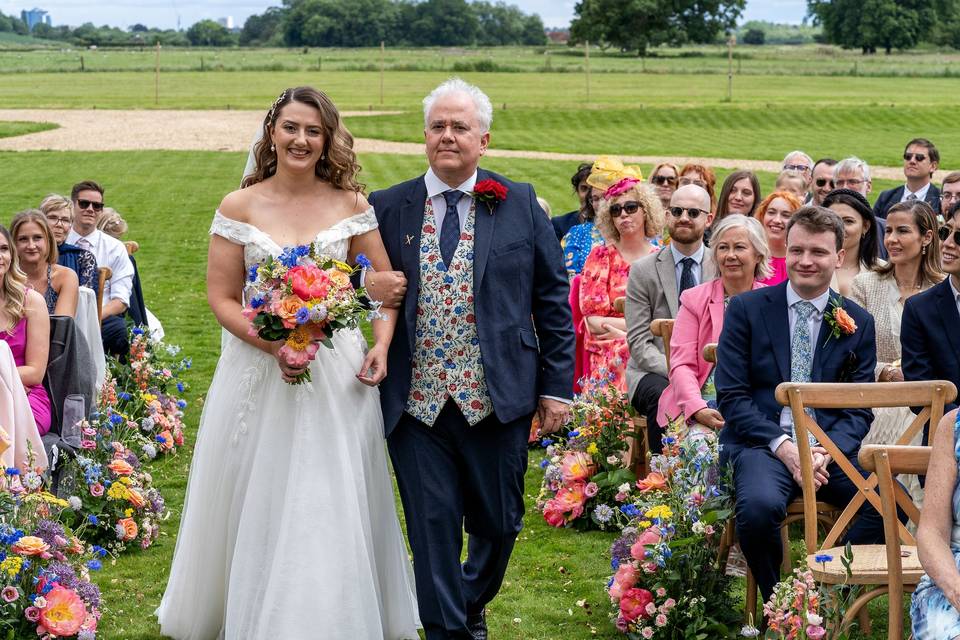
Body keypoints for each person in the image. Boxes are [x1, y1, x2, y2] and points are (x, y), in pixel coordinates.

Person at [157, 87, 420, 640]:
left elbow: (381, 288)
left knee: (331, 487)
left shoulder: (351, 205)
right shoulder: (239, 207)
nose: (302, 140)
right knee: (260, 484)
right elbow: (223, 297)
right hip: (259, 369)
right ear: (272, 132)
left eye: (314, 131)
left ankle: (332, 615)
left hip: (337, 373)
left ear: (327, 141)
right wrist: (276, 344)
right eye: (292, 127)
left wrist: (380, 343)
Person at [368, 78, 574, 640]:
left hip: (499, 396)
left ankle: (466, 600)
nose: (448, 136)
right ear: (424, 136)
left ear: (483, 139)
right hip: (417, 403)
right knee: (431, 527)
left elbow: (553, 302)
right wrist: (370, 287)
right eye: (438, 126)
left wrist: (557, 388)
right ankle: (450, 630)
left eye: (460, 127)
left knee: (500, 523)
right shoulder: (388, 206)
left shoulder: (521, 202)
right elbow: (360, 286)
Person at [716, 206, 884, 602]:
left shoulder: (857, 321)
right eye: (797, 250)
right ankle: (784, 603)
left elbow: (859, 409)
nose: (805, 261)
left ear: (839, 257)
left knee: (886, 502)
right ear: (784, 252)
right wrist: (785, 446)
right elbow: (732, 397)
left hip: (828, 452)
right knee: (757, 509)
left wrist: (824, 450)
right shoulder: (746, 309)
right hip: (763, 444)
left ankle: (829, 597)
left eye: (819, 252)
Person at [656, 214, 769, 434]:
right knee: (702, 449)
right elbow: (681, 365)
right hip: (702, 404)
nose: (730, 255)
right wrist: (697, 408)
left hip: (756, 407)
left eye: (739, 247)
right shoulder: (694, 299)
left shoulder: (771, 302)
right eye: (723, 248)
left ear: (758, 254)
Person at [625, 184, 716, 452]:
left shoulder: (722, 266)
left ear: (708, 219)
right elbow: (639, 344)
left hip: (710, 369)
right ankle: (663, 481)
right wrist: (682, 373)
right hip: (654, 370)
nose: (684, 217)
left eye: (693, 212)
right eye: (676, 211)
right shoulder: (643, 271)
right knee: (665, 393)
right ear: (667, 216)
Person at [852, 201, 942, 469]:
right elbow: (851, 355)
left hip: (927, 403)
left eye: (902, 231)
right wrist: (887, 373)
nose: (891, 239)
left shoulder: (942, 290)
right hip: (876, 401)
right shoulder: (865, 285)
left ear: (926, 237)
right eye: (888, 231)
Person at [581, 177, 662, 392]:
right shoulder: (600, 256)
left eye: (631, 207)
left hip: (651, 348)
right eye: (616, 210)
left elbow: (667, 319)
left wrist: (628, 335)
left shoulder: (662, 259)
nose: (623, 214)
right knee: (624, 352)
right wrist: (638, 331)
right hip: (608, 349)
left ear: (645, 211)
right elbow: (593, 321)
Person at [902, 201, 960, 419]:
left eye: (959, 237)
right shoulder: (919, 310)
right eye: (945, 232)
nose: (948, 243)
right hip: (946, 440)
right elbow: (919, 393)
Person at [65, 181, 134, 357]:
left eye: (97, 206)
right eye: (84, 203)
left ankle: (112, 382)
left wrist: (92, 317)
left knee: (119, 332)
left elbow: (121, 300)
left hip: (102, 318)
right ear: (73, 206)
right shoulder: (59, 243)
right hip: (63, 318)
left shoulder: (114, 247)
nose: (90, 209)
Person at [911, 408, 960, 639]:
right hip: (953, 570)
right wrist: (956, 589)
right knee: (943, 630)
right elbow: (931, 533)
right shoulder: (953, 426)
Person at [0, 226, 52, 437]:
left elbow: (35, 372)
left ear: (11, 255)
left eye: (3, 248)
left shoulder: (31, 301)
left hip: (25, 396)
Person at [562, 156, 641, 278]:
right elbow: (571, 278)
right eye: (595, 199)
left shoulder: (641, 234)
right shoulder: (578, 234)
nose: (599, 204)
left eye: (605, 197)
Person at [10, 210, 78, 317]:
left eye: (37, 238)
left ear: (48, 240)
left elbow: (62, 327)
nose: (31, 246)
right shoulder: (6, 277)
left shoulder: (66, 277)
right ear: (13, 244)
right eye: (23, 239)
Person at [823, 188, 881, 297]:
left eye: (848, 221)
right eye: (831, 220)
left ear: (866, 226)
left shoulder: (883, 272)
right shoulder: (810, 265)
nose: (839, 228)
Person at [38, 194, 98, 294]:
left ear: (70, 225)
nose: (59, 224)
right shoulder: (30, 254)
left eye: (65, 220)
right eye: (53, 218)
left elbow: (85, 302)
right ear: (40, 221)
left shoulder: (84, 258)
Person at [874, 138, 941, 219]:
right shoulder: (886, 197)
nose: (912, 161)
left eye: (919, 157)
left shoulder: (941, 199)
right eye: (908, 156)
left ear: (933, 166)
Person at [754, 190, 802, 286]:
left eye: (785, 215)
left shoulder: (800, 261)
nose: (777, 220)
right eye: (771, 212)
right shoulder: (752, 254)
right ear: (763, 216)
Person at [552, 162, 594, 241]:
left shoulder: (611, 225)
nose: (589, 195)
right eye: (584, 188)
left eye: (593, 189)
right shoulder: (559, 224)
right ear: (577, 191)